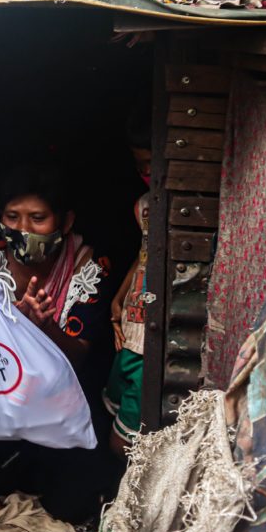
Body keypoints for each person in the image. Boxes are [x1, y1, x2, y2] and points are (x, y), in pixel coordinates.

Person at [0, 163, 122, 524]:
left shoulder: (91, 268)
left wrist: (42, 329)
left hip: (65, 405)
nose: (22, 230)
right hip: (0, 400)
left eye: (37, 218)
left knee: (72, 505)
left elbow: (79, 358)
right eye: (12, 216)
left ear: (65, 222)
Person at [105, 136, 152, 459]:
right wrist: (117, 300)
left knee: (122, 444)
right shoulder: (143, 206)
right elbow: (144, 254)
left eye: (151, 162)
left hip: (150, 341)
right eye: (139, 164)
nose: (145, 171)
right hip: (130, 329)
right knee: (113, 406)